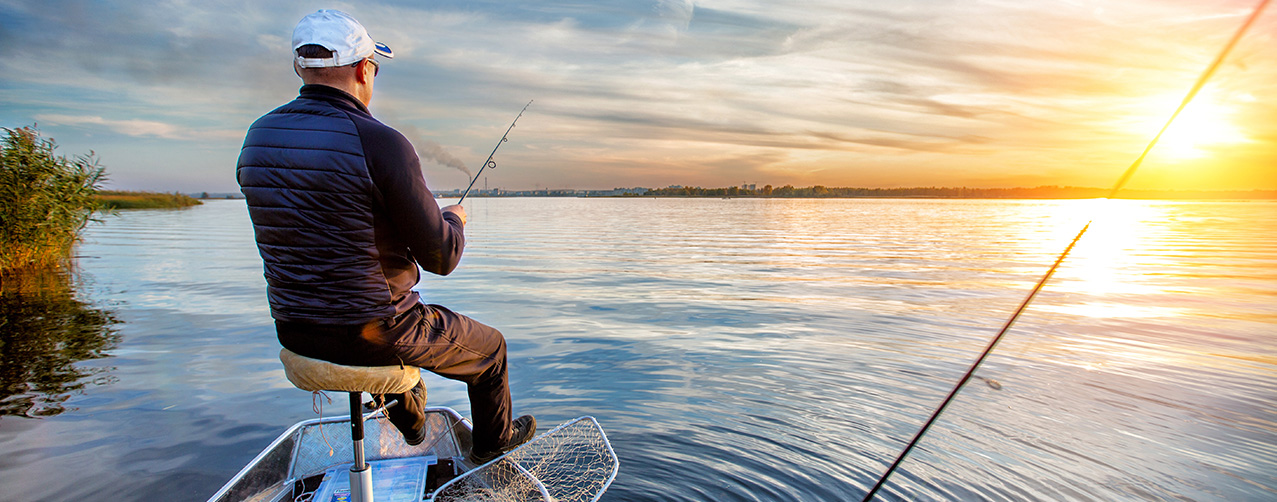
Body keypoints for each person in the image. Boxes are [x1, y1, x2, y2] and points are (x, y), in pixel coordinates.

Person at [235, 9, 534, 464]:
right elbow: (442, 257)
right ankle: (492, 446)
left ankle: (411, 417)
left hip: (294, 330)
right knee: (490, 350)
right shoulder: (380, 142)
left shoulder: (258, 137)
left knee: (394, 338)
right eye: (374, 67)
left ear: (301, 67)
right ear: (362, 69)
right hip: (376, 331)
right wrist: (454, 219)